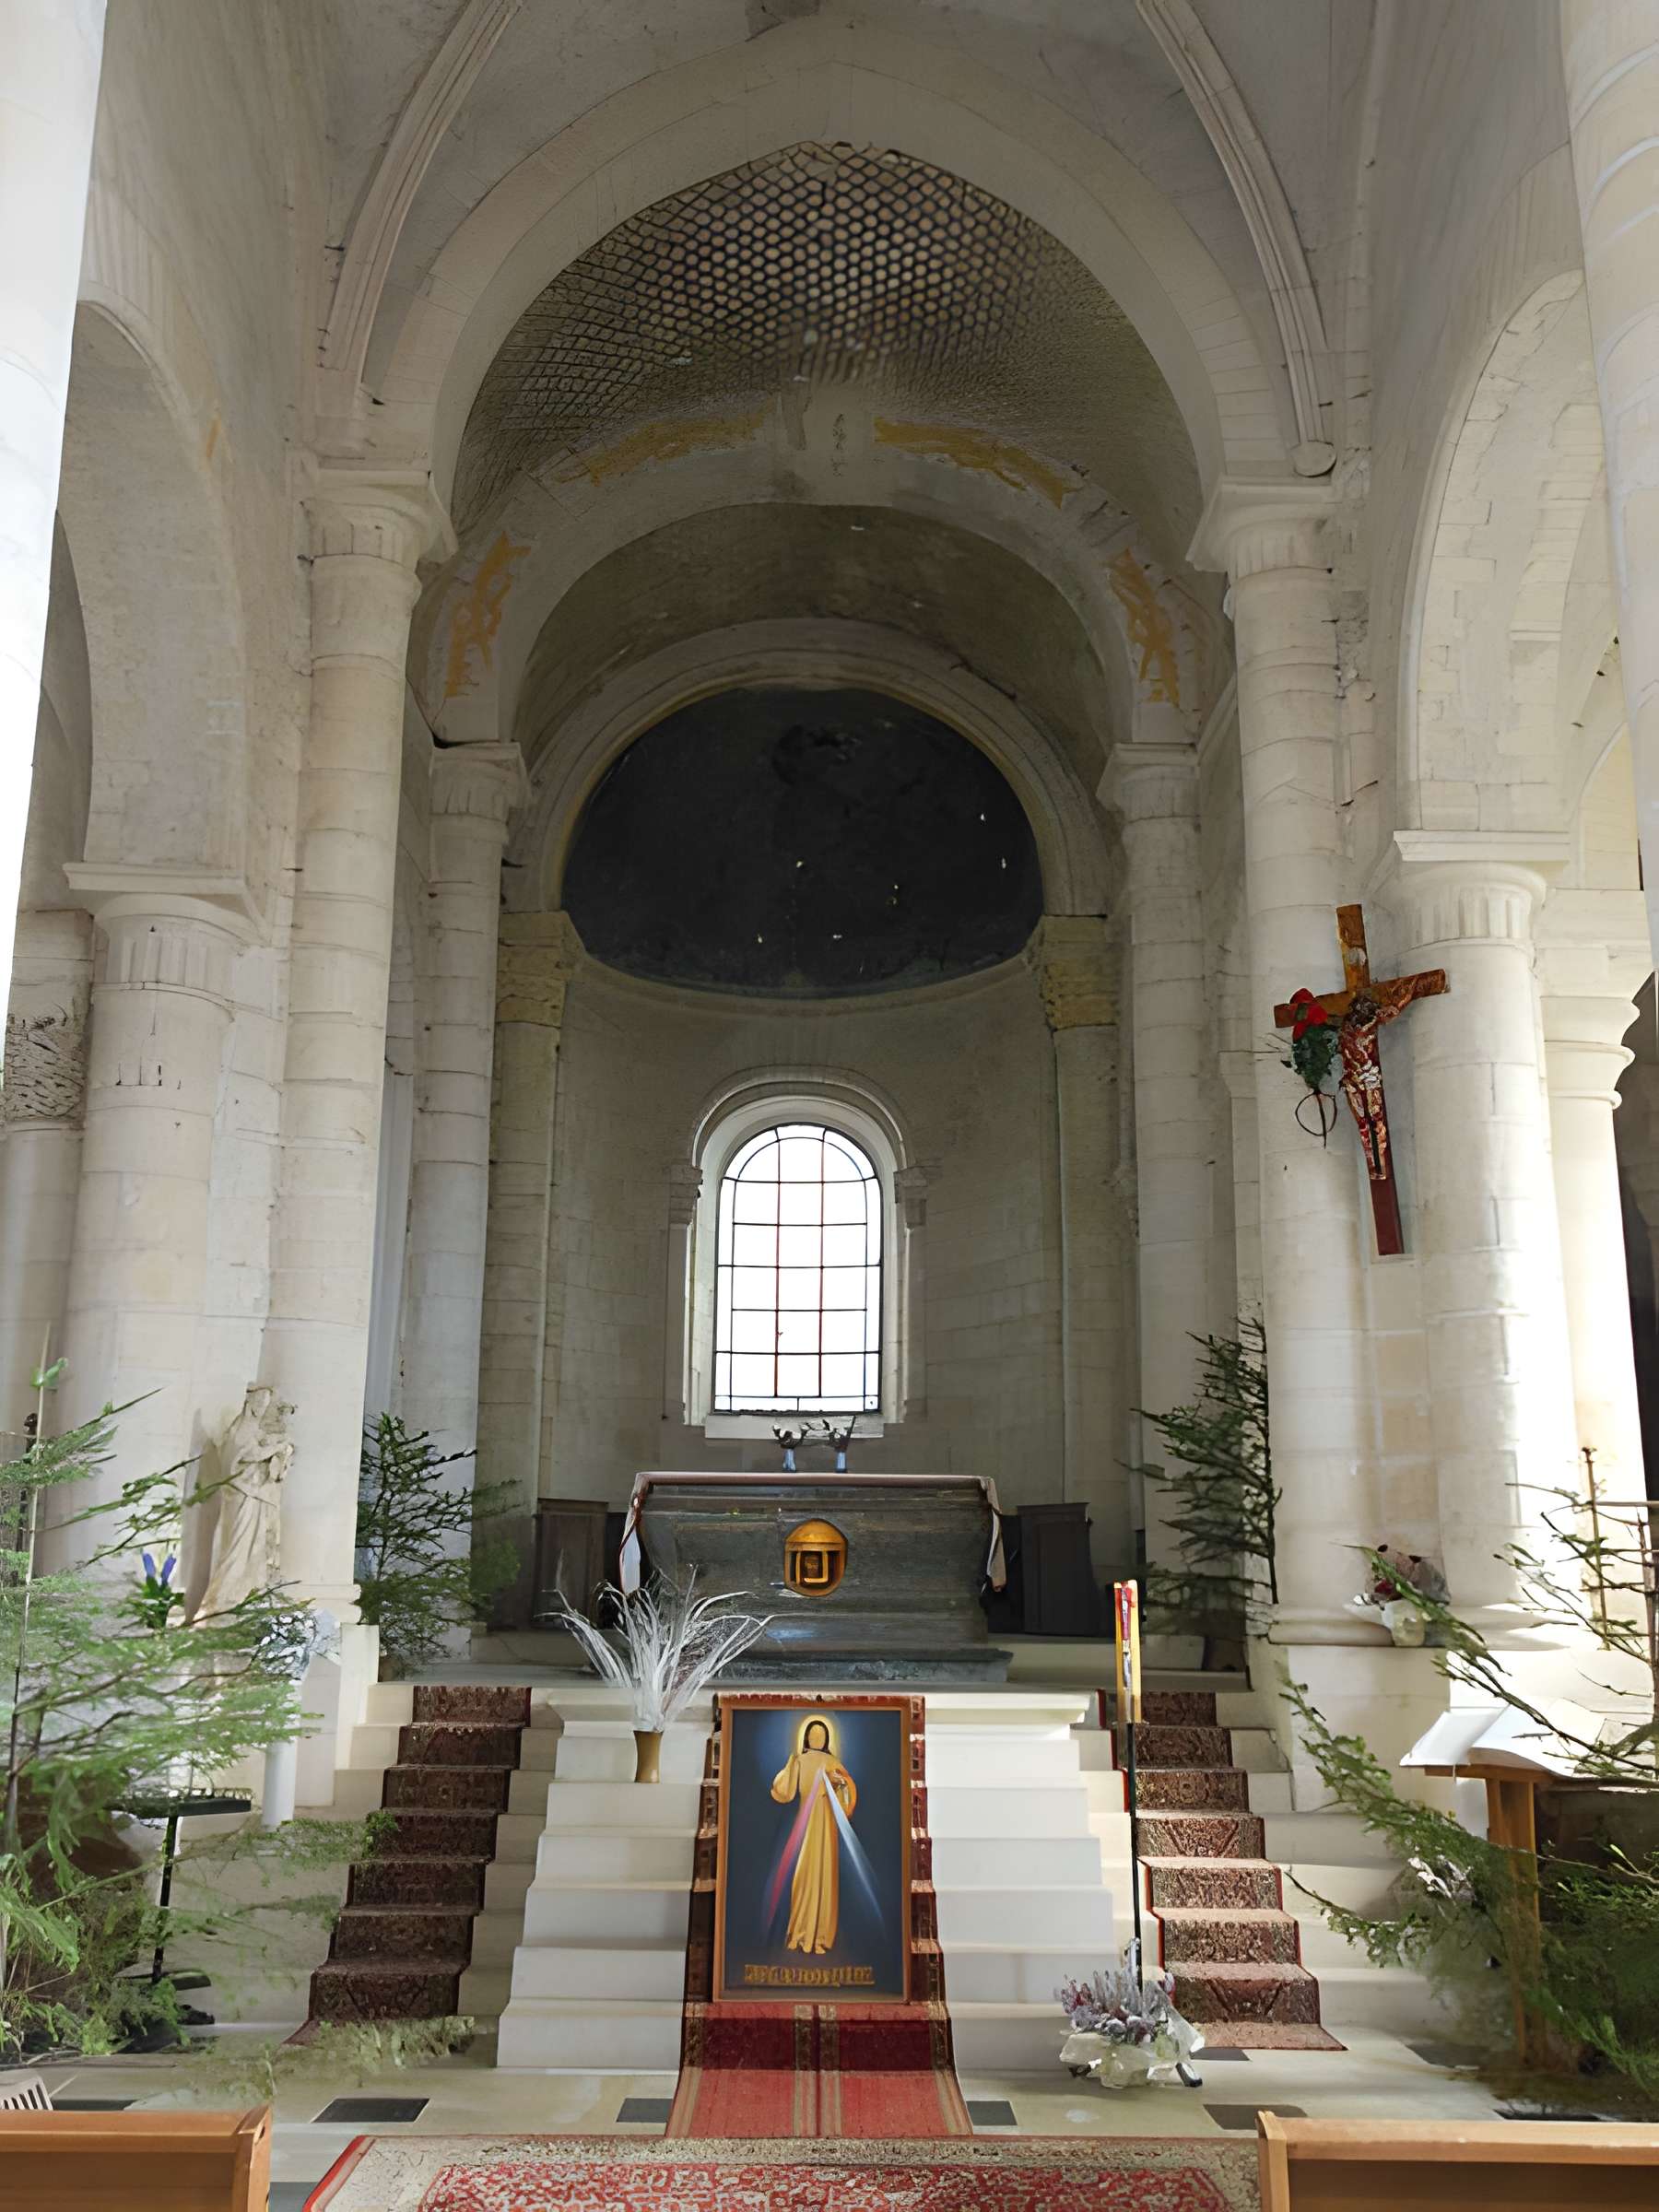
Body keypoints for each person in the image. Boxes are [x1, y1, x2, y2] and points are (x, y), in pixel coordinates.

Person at [771, 1715, 857, 1953]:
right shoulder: (799, 1761)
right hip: (805, 1825)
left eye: (821, 1734)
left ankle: (820, 1937)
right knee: (804, 1875)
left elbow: (846, 1793)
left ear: (827, 1738)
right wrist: (790, 1765)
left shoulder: (832, 1762)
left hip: (826, 1825)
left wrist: (840, 1783)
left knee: (824, 1876)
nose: (817, 1737)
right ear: (806, 1737)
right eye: (813, 1734)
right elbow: (783, 1792)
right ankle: (799, 1933)